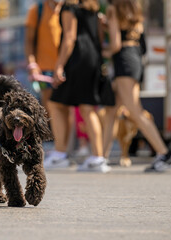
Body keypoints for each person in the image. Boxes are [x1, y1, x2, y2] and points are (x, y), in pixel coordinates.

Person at [103, 0, 171, 172]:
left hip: (124, 61)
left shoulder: (113, 9)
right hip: (135, 59)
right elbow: (135, 39)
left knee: (135, 111)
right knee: (112, 110)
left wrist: (98, 51)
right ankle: (100, 157)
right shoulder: (135, 8)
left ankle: (164, 154)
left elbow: (115, 45)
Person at [51, 0, 112, 172]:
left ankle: (59, 154)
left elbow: (69, 38)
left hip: (77, 60)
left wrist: (59, 66)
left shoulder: (69, 8)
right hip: (93, 59)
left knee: (56, 104)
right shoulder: (92, 8)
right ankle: (98, 158)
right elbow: (100, 37)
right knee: (87, 108)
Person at [25, 0, 63, 115]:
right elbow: (29, 42)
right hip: (45, 72)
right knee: (49, 109)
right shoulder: (36, 11)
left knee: (66, 109)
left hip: (66, 68)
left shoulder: (68, 9)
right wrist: (32, 65)